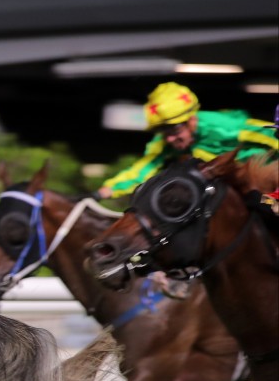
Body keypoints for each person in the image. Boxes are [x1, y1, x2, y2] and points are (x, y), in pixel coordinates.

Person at [96, 83, 278, 298]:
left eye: (173, 130)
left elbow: (271, 137)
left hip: (260, 179)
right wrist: (104, 191)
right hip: (229, 192)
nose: (169, 139)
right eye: (163, 132)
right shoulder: (165, 142)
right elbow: (143, 168)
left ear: (192, 119)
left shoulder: (224, 127)